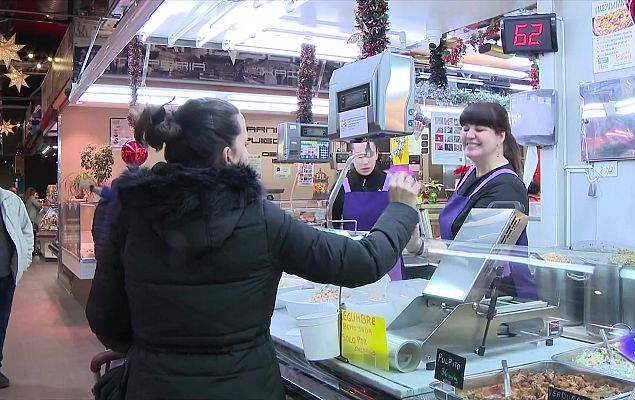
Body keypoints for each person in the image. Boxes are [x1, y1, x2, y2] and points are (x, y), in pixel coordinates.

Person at [85, 98, 420, 400]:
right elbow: (363, 262)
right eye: (244, 143)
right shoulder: (262, 219)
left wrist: (159, 349)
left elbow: (105, 318)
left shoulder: (131, 214)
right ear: (228, 155)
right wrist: (402, 210)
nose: (248, 153)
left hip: (152, 387)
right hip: (247, 386)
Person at [407, 102, 537, 300]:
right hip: (468, 288)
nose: (469, 134)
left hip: (501, 298)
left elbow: (475, 254)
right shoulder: (470, 174)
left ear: (500, 136)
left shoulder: (506, 187)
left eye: (480, 129)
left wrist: (420, 246)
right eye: (466, 128)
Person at [330, 140, 405, 281]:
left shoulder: (393, 184)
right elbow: (332, 227)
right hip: (354, 260)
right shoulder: (341, 187)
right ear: (350, 156)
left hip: (388, 260)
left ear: (377, 154)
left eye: (369, 155)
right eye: (359, 156)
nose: (365, 162)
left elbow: (404, 222)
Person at [0, 186, 35, 388]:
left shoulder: (11, 201)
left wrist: (24, 260)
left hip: (6, 278)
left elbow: (26, 230)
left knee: (1, 326)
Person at [24, 187, 42, 255]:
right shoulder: (31, 198)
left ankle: (32, 249)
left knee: (31, 234)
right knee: (33, 235)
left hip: (29, 218)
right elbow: (39, 206)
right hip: (33, 218)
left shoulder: (27, 199)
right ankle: (34, 249)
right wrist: (40, 202)